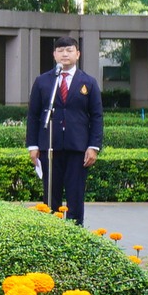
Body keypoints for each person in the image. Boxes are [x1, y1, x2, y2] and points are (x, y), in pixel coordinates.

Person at [25, 35, 103, 226]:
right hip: (49, 147)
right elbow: (33, 115)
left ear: (78, 54)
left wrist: (93, 146)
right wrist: (33, 146)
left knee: (75, 194)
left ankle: (76, 233)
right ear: (54, 55)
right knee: (51, 193)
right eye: (60, 51)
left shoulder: (89, 82)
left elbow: (97, 116)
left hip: (78, 148)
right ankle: (52, 233)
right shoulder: (43, 81)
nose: (65, 54)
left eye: (69, 50)